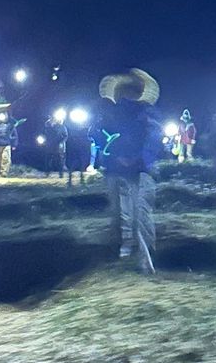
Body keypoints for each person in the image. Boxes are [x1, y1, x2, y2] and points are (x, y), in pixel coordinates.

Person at [98, 69, 164, 273]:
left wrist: (137, 159)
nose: (128, 95)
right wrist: (113, 156)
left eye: (131, 91)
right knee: (117, 213)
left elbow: (153, 141)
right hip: (115, 169)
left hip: (140, 171)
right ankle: (120, 249)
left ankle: (146, 260)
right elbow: (100, 135)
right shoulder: (110, 114)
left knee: (140, 214)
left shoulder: (149, 114)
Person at [65, 121, 93, 186]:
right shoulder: (83, 133)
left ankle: (73, 180)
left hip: (78, 151)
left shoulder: (79, 133)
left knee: (77, 166)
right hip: (79, 151)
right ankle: (78, 180)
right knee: (79, 166)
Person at [0, 111, 17, 177]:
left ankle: (4, 173)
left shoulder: (10, 125)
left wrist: (14, 144)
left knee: (5, 159)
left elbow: (15, 135)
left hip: (7, 145)